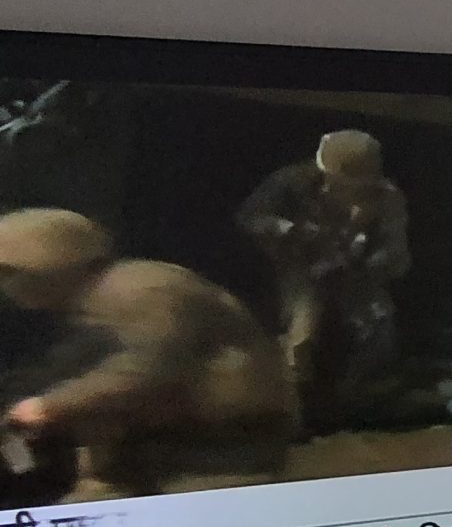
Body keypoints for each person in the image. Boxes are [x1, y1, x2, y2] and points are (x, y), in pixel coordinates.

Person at [0, 209, 294, 498]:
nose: (8, 286)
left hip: (217, 451)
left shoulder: (139, 289)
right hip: (147, 454)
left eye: (11, 273)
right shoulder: (90, 301)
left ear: (49, 265)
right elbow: (70, 368)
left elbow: (152, 368)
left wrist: (48, 407)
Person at [238, 130, 410, 432]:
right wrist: (292, 231)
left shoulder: (387, 199)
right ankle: (287, 409)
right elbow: (250, 218)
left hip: (355, 275)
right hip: (297, 270)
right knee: (302, 335)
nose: (334, 188)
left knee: (379, 325)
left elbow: (396, 254)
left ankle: (353, 406)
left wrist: (366, 262)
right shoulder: (290, 182)